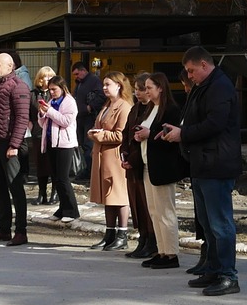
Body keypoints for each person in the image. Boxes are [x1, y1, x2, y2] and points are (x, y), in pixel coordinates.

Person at [162, 46, 241, 296]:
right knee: (208, 224)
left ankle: (228, 276)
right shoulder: (203, 86)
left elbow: (215, 123)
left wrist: (183, 134)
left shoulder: (220, 86)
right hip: (202, 163)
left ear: (204, 65)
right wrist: (178, 129)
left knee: (220, 224)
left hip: (216, 164)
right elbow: (192, 118)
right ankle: (214, 269)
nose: (189, 76)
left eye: (191, 70)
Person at [126, 71, 183, 267]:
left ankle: (172, 254)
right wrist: (139, 135)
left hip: (163, 167)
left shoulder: (171, 110)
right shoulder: (150, 108)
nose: (147, 91)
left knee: (165, 211)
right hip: (147, 164)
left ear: (161, 88)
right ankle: (161, 251)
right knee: (154, 211)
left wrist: (149, 134)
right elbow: (147, 131)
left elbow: (168, 137)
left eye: (150, 88)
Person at [0, 51, 30, 242]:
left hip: (9, 145)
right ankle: (4, 229)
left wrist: (14, 144)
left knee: (15, 188)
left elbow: (22, 118)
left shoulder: (18, 86)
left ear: (10, 66)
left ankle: (21, 231)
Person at [86, 71, 131, 249]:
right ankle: (109, 234)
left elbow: (121, 135)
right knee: (108, 196)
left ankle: (122, 235)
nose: (104, 88)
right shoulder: (107, 105)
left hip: (115, 158)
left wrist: (99, 135)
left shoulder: (124, 107)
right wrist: (93, 133)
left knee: (118, 195)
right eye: (103, 84)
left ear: (118, 86)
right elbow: (99, 126)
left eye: (107, 84)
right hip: (102, 157)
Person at [39, 74, 80, 221]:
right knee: (56, 178)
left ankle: (72, 211)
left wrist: (49, 111)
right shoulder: (52, 101)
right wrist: (42, 113)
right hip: (51, 142)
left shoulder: (69, 102)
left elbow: (66, 121)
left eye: (54, 89)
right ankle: (62, 209)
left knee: (63, 178)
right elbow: (43, 124)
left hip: (64, 144)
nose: (51, 92)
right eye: (50, 89)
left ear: (62, 88)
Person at [71, 60, 105, 182]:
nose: (76, 77)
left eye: (77, 74)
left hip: (89, 117)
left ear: (83, 71)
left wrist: (90, 107)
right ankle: (88, 169)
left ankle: (90, 170)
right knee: (84, 144)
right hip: (81, 117)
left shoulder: (94, 81)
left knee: (88, 144)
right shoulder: (80, 83)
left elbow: (101, 96)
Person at [29, 67, 58, 205]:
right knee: (40, 165)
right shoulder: (33, 94)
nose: (48, 79)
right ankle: (42, 194)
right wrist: (31, 126)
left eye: (51, 76)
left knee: (53, 164)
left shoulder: (56, 94)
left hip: (53, 133)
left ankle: (55, 193)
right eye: (46, 76)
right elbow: (27, 112)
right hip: (38, 133)